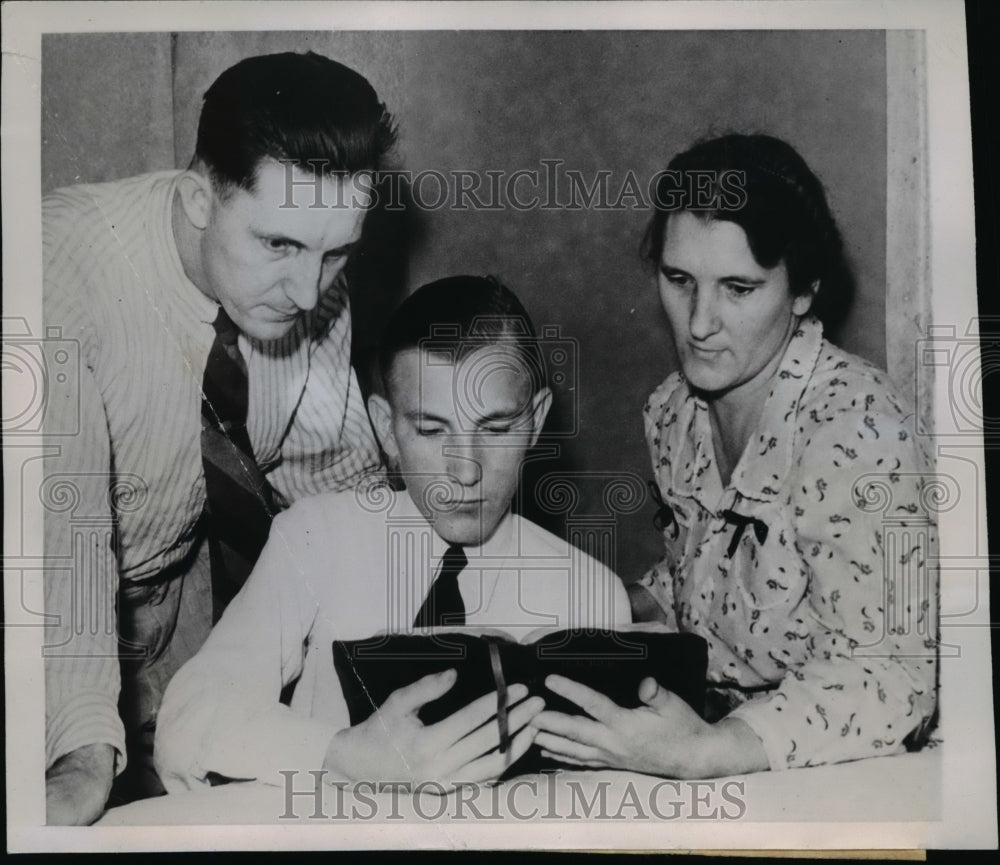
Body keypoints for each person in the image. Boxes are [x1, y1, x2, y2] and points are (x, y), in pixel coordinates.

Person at [43, 52, 396, 823]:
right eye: (279, 246)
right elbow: (59, 536)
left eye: (337, 253)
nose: (308, 292)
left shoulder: (309, 280)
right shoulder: (58, 266)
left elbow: (338, 488)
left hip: (171, 618)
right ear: (199, 199)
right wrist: (80, 749)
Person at [531, 134, 939, 776]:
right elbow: (703, 586)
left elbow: (894, 675)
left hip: (843, 773)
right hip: (708, 741)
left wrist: (708, 752)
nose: (698, 323)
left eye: (739, 289)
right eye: (679, 280)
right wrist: (581, 612)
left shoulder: (858, 432)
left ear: (802, 291)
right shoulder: (673, 411)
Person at [153, 275, 631, 791]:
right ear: (385, 430)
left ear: (536, 422)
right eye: (431, 431)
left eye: (495, 430)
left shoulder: (592, 594)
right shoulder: (318, 539)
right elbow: (188, 720)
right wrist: (340, 756)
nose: (465, 470)